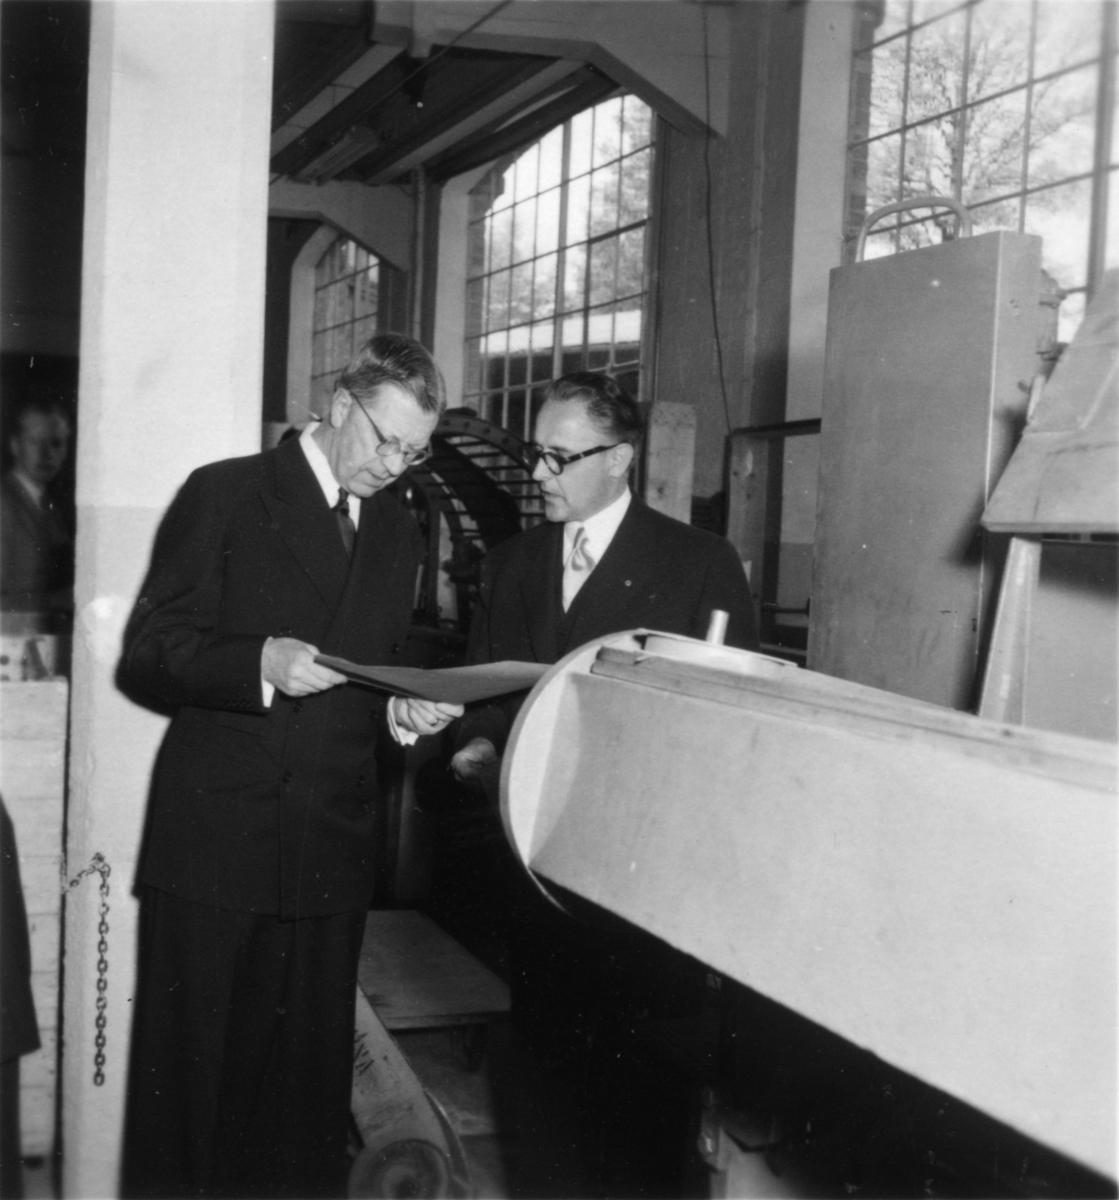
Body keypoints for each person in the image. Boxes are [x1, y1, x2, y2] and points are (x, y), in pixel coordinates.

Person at [119, 333, 462, 1199]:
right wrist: (257, 663)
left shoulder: (396, 529)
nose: (394, 466)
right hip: (217, 845)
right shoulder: (227, 492)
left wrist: (400, 710)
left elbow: (372, 673)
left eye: (414, 452)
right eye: (385, 440)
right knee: (187, 1105)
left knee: (299, 1116)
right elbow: (148, 653)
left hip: (326, 855)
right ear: (340, 404)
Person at [451, 370, 758, 785]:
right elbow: (481, 693)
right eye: (536, 452)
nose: (538, 473)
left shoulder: (702, 563)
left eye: (558, 457)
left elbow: (736, 721)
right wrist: (479, 742)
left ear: (618, 459)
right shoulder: (507, 564)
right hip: (516, 802)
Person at [0, 398, 74, 630]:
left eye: (56, 443)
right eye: (34, 442)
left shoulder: (50, 506)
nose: (46, 453)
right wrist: (55, 601)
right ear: (15, 445)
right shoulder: (3, 503)